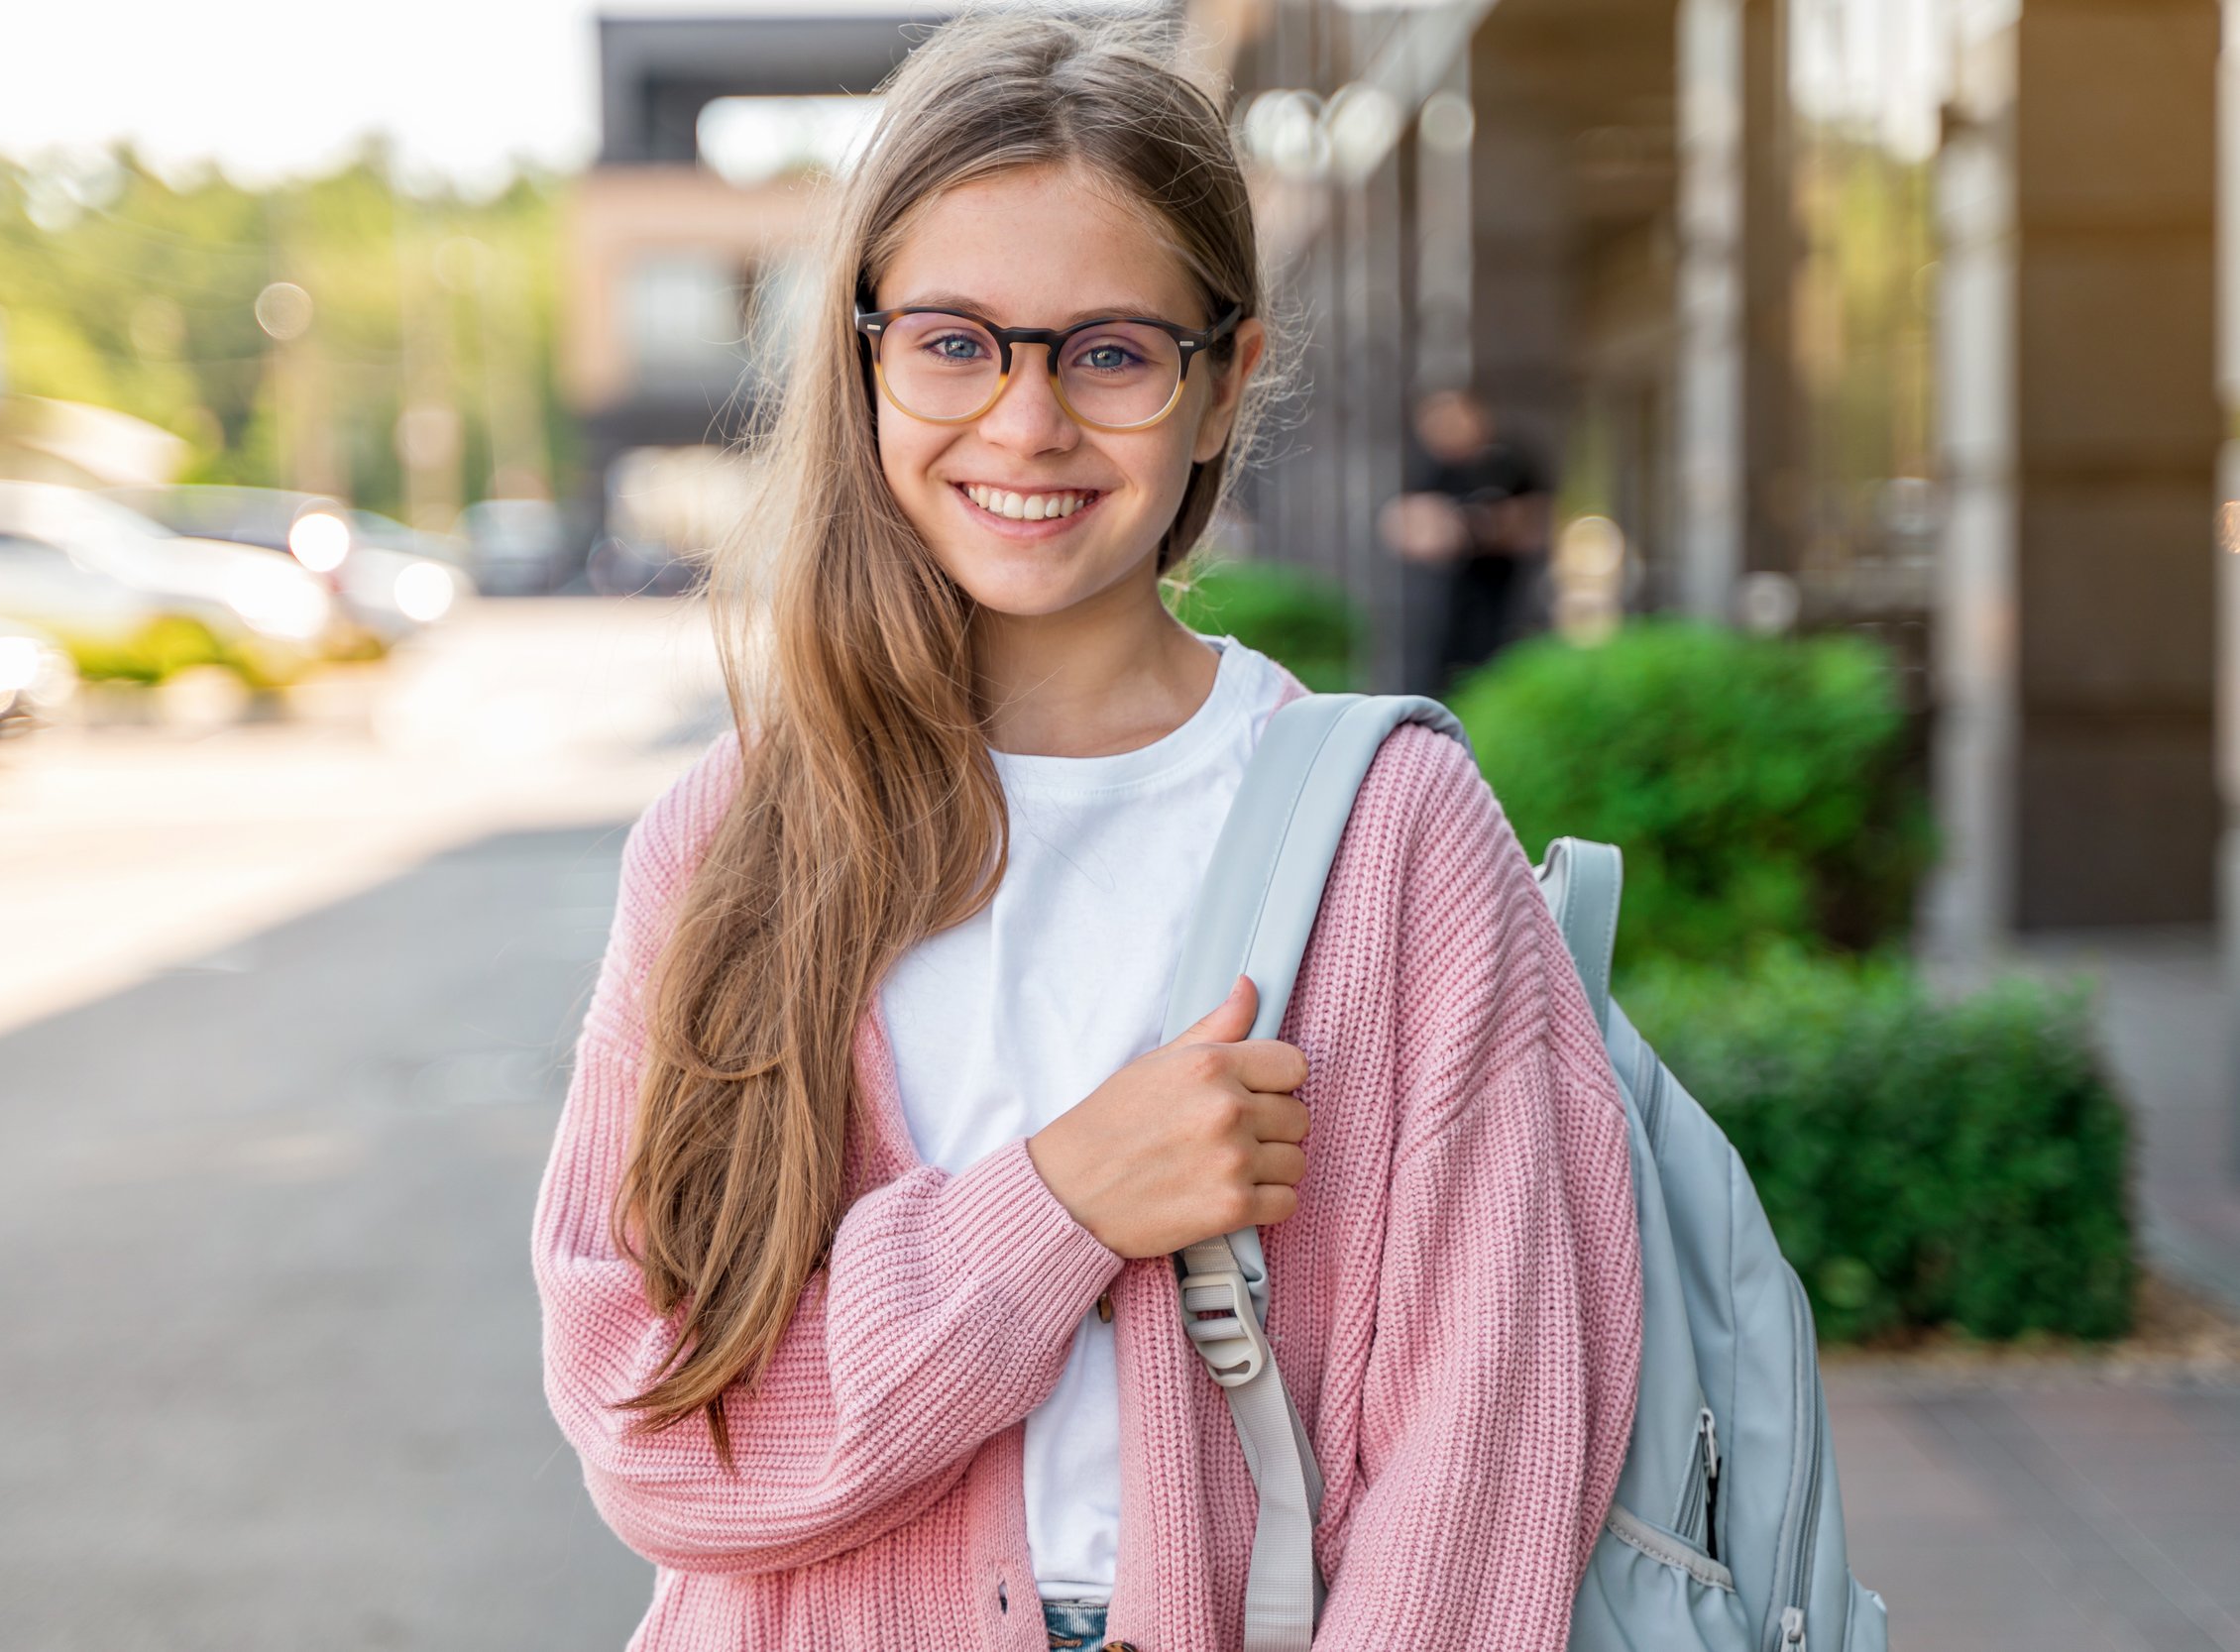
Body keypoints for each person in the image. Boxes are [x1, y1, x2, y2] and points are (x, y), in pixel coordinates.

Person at [531, 16, 1640, 1651]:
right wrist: (1059, 1202)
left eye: (1111, 350)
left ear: (1222, 386)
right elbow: (656, 1429)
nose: (1029, 422)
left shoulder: (1394, 838)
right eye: (956, 340)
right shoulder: (736, 840)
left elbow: (1487, 1464)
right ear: (864, 359)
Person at [1380, 387, 1552, 693]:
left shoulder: (1507, 463)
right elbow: (1402, 525)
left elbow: (1536, 522)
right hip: (1437, 604)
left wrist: (1470, 527)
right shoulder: (1433, 470)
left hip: (1500, 596)